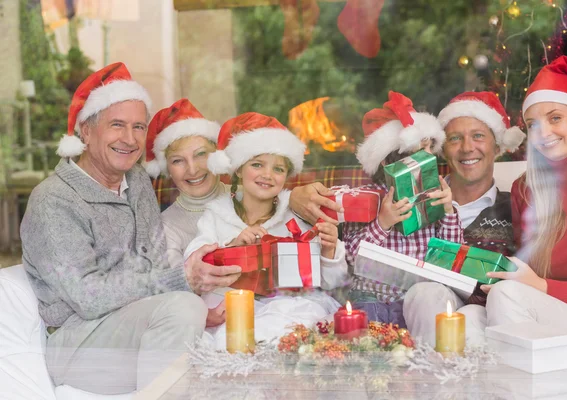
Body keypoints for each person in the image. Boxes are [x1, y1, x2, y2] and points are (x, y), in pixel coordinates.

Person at [20, 63, 214, 394]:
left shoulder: (136, 180)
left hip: (135, 320)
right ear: (85, 130)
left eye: (139, 127)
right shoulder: (52, 201)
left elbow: (156, 261)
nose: (129, 139)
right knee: (185, 307)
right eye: (117, 125)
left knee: (220, 338)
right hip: (77, 343)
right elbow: (88, 298)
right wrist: (182, 281)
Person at [143, 98, 350, 328]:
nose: (193, 169)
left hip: (288, 308)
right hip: (226, 307)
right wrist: (232, 248)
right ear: (238, 170)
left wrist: (328, 247)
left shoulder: (283, 205)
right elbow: (186, 275)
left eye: (201, 154)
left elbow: (329, 278)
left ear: (216, 156)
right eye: (178, 161)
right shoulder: (203, 218)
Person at [492, 56, 567, 353]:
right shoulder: (525, 189)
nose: (544, 132)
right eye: (533, 124)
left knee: (507, 298)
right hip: (550, 312)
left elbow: (530, 287)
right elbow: (524, 268)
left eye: (555, 118)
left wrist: (540, 287)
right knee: (469, 317)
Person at [402, 91, 526, 346]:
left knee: (471, 317)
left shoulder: (516, 206)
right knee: (426, 293)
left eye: (478, 136)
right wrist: (295, 198)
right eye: (455, 138)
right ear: (443, 149)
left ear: (498, 147)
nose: (467, 148)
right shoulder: (415, 201)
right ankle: (432, 380)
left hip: (488, 312)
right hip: (424, 307)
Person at [343, 91, 462, 326]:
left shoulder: (436, 195)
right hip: (370, 297)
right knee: (369, 339)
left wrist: (447, 211)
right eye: (415, 153)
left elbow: (450, 259)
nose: (426, 159)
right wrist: (382, 223)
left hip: (414, 298)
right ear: (387, 161)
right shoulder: (366, 200)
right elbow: (351, 257)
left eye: (429, 150)